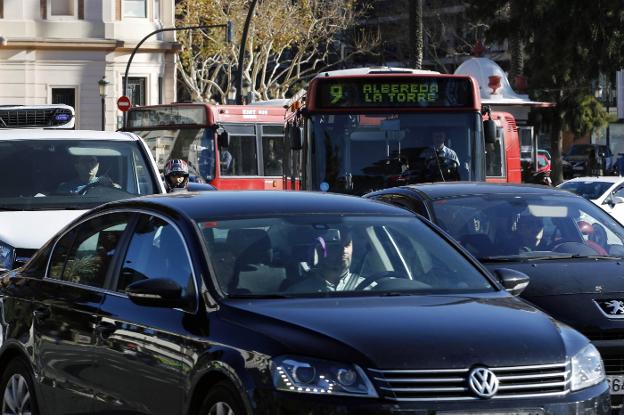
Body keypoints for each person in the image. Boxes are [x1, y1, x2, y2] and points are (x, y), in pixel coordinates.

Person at [287, 228, 364, 292]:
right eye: (336, 246)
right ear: (320, 250)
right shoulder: (298, 293)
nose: (344, 250)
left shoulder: (369, 288)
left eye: (347, 244)